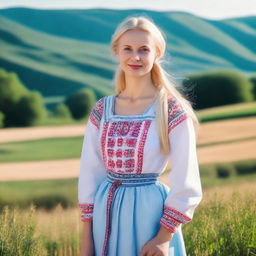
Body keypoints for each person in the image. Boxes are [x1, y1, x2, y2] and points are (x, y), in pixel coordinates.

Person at [78, 15, 203, 256]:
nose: (135, 57)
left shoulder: (172, 110)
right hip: (106, 214)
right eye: (128, 49)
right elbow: (89, 175)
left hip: (151, 216)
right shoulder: (102, 110)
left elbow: (186, 180)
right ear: (116, 51)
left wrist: (163, 238)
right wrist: (87, 242)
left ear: (157, 53)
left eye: (144, 50)